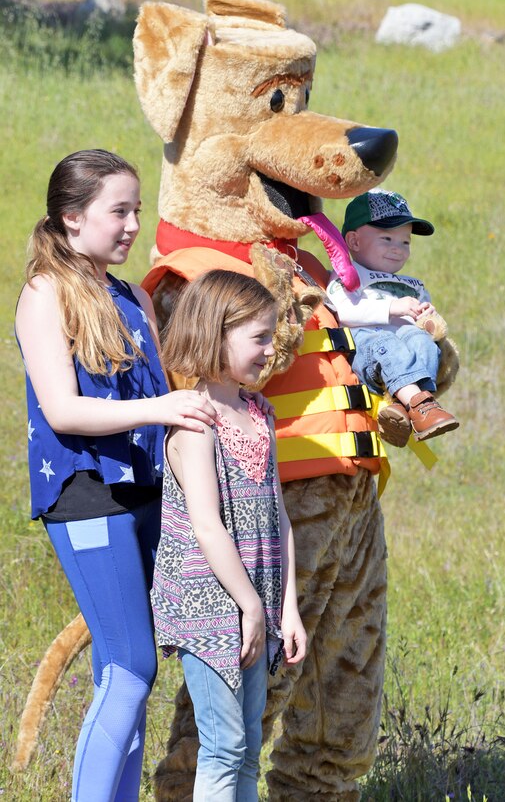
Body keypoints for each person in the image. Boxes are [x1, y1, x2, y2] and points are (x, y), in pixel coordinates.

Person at [15, 149, 218, 802]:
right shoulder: (44, 293)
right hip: (85, 494)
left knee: (123, 671)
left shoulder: (130, 296)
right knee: (132, 666)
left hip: (147, 491)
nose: (133, 224)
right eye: (118, 211)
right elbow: (62, 408)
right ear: (72, 219)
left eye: (137, 209)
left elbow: (169, 384)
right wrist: (161, 407)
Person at [150, 269, 307, 801]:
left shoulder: (258, 412)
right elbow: (207, 526)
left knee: (248, 746)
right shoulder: (194, 423)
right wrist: (251, 607)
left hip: (255, 602)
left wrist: (285, 607)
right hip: (210, 606)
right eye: (258, 338)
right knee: (223, 745)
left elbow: (278, 516)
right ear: (215, 334)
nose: (270, 350)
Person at [326, 188, 459, 447]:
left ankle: (403, 408)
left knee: (424, 342)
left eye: (405, 242)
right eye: (387, 239)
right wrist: (391, 309)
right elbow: (343, 312)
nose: (398, 249)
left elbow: (425, 320)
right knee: (386, 344)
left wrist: (427, 317)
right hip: (367, 349)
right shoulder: (348, 277)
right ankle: (420, 406)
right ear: (354, 242)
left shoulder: (414, 285)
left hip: (404, 351)